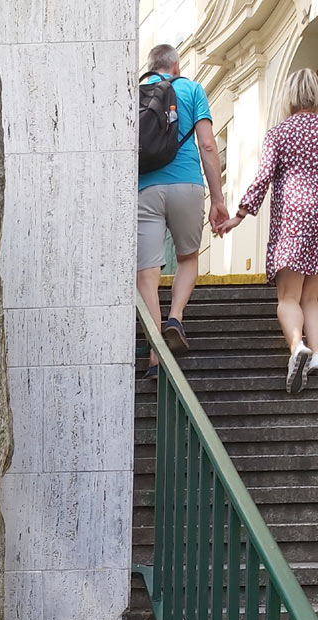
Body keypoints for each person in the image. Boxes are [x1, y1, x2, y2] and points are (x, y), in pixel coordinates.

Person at [217, 68, 318, 394]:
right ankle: (316, 354)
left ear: (288, 96)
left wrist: (239, 215)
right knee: (313, 298)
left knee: (288, 297)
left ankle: (297, 347)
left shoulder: (279, 133)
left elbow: (262, 179)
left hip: (292, 221)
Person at [137, 44, 229, 377]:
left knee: (146, 273)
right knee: (188, 257)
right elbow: (206, 144)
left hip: (144, 188)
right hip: (187, 184)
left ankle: (155, 353)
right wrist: (218, 199)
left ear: (151, 66)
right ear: (176, 65)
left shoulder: (138, 93)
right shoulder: (191, 89)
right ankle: (175, 316)